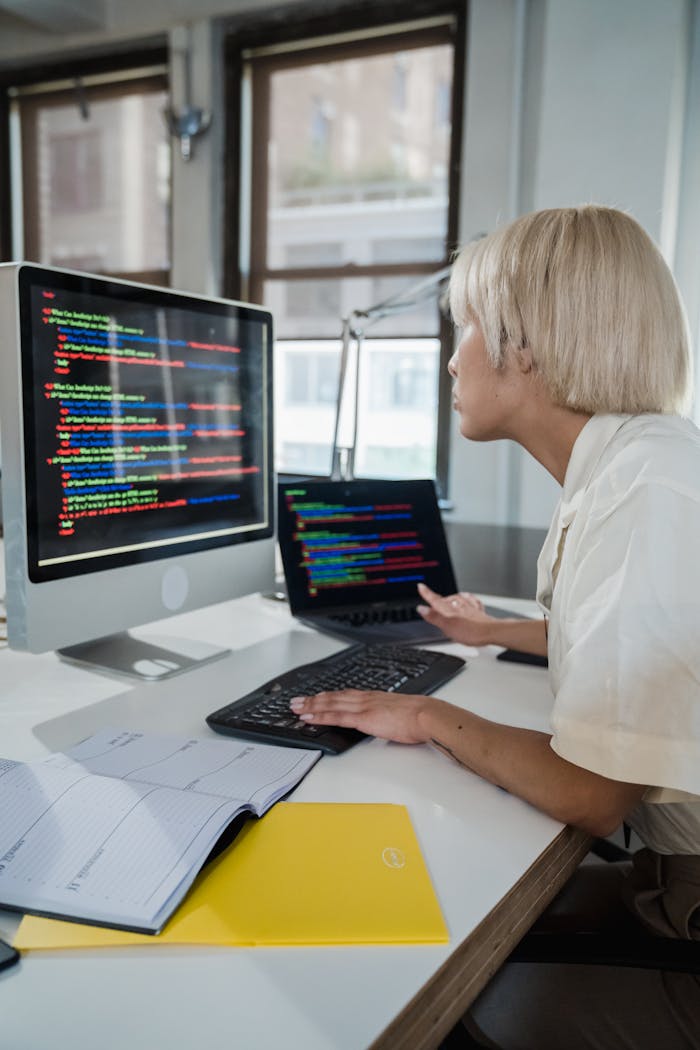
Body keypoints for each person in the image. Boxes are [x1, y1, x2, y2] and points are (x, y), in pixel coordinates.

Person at [289, 205, 700, 1049]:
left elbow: (592, 793)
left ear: (524, 345)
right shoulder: (640, 462)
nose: (451, 354)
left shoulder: (647, 490)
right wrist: (491, 636)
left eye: (467, 326)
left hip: (685, 918)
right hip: (665, 880)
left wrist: (429, 716)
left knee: (432, 988)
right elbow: (635, 644)